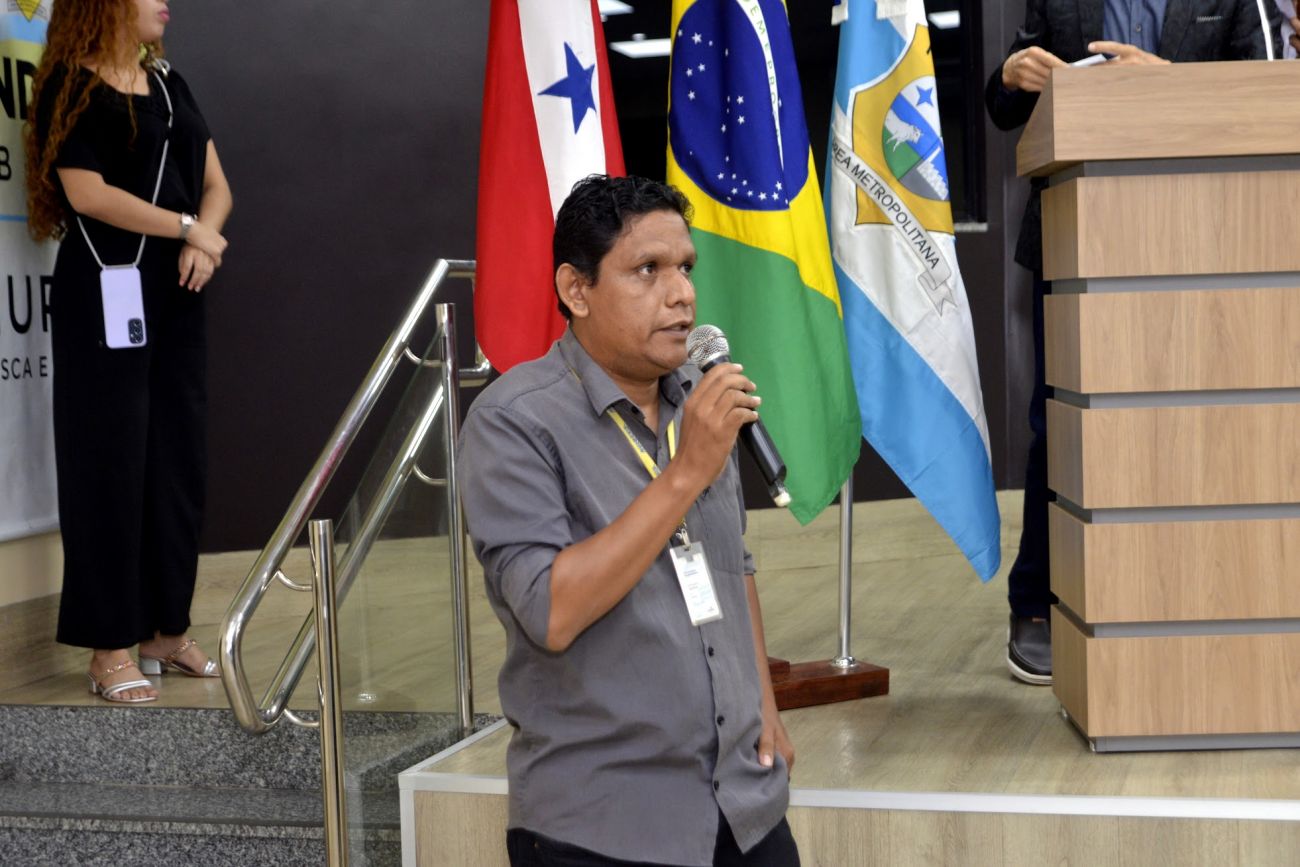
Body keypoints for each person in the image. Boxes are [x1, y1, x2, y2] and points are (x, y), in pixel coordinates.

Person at [457, 174, 799, 867]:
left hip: (743, 807)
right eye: (648, 270)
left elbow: (733, 565)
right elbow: (551, 610)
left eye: (685, 268)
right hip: (604, 823)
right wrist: (684, 473)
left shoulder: (698, 399)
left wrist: (764, 703)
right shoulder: (513, 422)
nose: (682, 294)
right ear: (576, 290)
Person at [986, 0, 1278, 686]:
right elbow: (1003, 109)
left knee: (1207, 427)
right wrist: (1010, 75)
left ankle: (1202, 593)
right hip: (1073, 235)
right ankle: (1037, 602)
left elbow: (1270, 87)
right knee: (1060, 424)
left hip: (1210, 235)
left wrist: (1167, 82)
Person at [25, 0, 232, 703]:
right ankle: (109, 644)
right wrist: (187, 229)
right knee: (108, 463)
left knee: (176, 461)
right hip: (105, 290)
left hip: (179, 291)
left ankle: (166, 630)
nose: (164, 3)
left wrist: (203, 240)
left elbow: (217, 187)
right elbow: (87, 194)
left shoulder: (171, 83)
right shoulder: (71, 85)